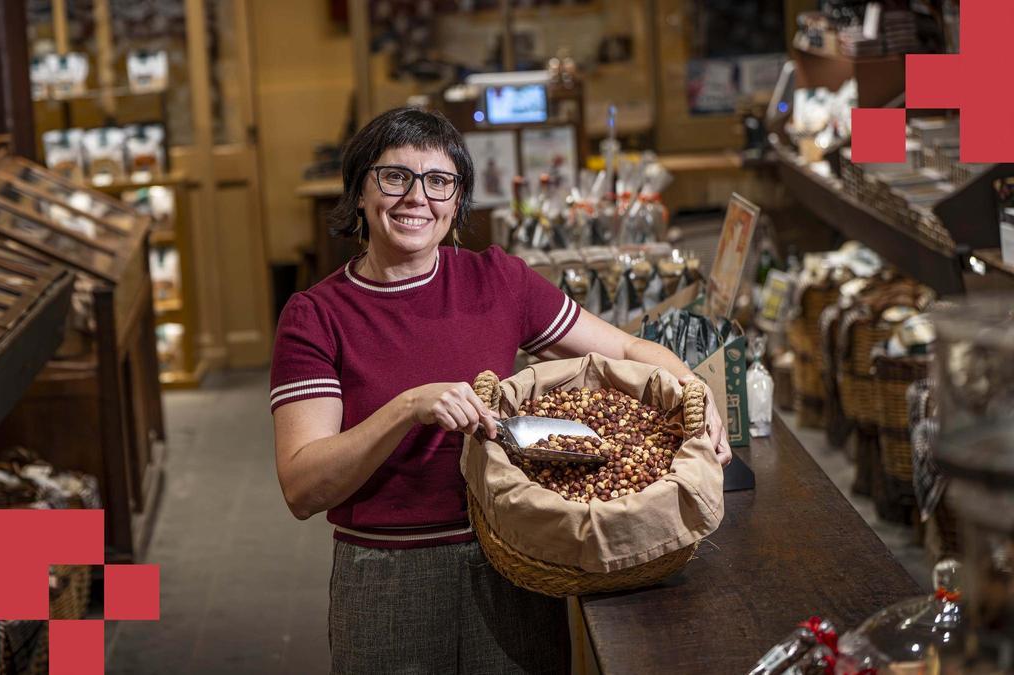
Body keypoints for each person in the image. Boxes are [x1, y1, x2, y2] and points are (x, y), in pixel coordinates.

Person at [271, 107, 731, 674]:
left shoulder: (497, 280)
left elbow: (632, 352)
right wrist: (406, 409)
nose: (417, 198)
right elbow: (302, 486)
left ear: (458, 201)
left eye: (439, 182)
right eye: (395, 177)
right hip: (386, 574)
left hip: (512, 555)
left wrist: (697, 395)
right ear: (360, 192)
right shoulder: (316, 315)